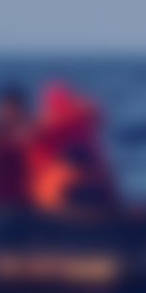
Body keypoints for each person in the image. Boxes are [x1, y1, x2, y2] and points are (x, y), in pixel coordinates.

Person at [26, 81, 117, 212]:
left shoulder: (73, 118)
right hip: (64, 189)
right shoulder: (55, 123)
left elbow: (93, 111)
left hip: (80, 180)